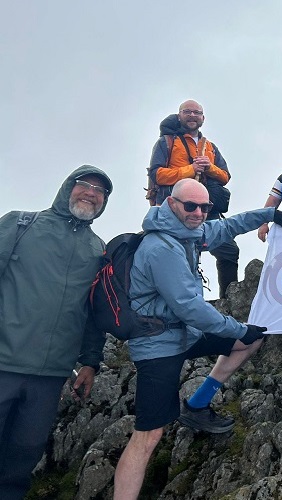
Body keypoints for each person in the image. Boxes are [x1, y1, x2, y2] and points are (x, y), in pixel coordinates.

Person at [113, 179, 282, 500]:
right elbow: (190, 308)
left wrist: (269, 214)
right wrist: (238, 328)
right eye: (191, 206)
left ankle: (196, 405)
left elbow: (228, 227)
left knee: (252, 341)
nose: (199, 213)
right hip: (156, 345)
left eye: (205, 207)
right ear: (171, 204)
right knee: (148, 436)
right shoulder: (160, 248)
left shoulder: (189, 231)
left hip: (183, 335)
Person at [0, 166, 112, 499]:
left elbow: (93, 313)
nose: (91, 193)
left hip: (50, 377)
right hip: (3, 362)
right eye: (85, 185)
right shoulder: (21, 223)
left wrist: (91, 362)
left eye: (100, 190)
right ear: (68, 188)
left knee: (22, 459)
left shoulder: (97, 249)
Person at [148, 99, 240, 298]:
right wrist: (190, 170)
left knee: (228, 251)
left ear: (203, 118)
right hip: (177, 210)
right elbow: (157, 175)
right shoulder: (166, 142)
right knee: (178, 256)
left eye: (196, 113)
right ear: (179, 115)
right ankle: (180, 302)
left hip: (206, 209)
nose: (192, 116)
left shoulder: (210, 147)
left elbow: (225, 177)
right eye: (187, 112)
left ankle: (229, 302)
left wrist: (209, 167)